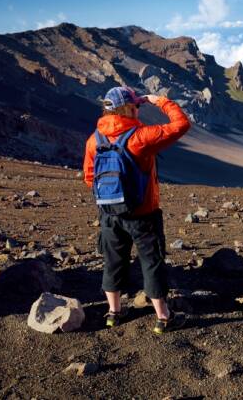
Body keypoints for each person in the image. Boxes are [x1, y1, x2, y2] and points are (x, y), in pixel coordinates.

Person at [83, 86, 190, 334]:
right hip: (143, 214)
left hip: (109, 213)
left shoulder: (94, 139)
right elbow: (181, 124)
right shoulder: (141, 136)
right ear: (130, 108)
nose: (139, 110)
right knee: (151, 263)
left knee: (112, 261)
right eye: (137, 106)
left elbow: (90, 177)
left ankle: (114, 312)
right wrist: (158, 101)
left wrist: (114, 195)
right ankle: (163, 317)